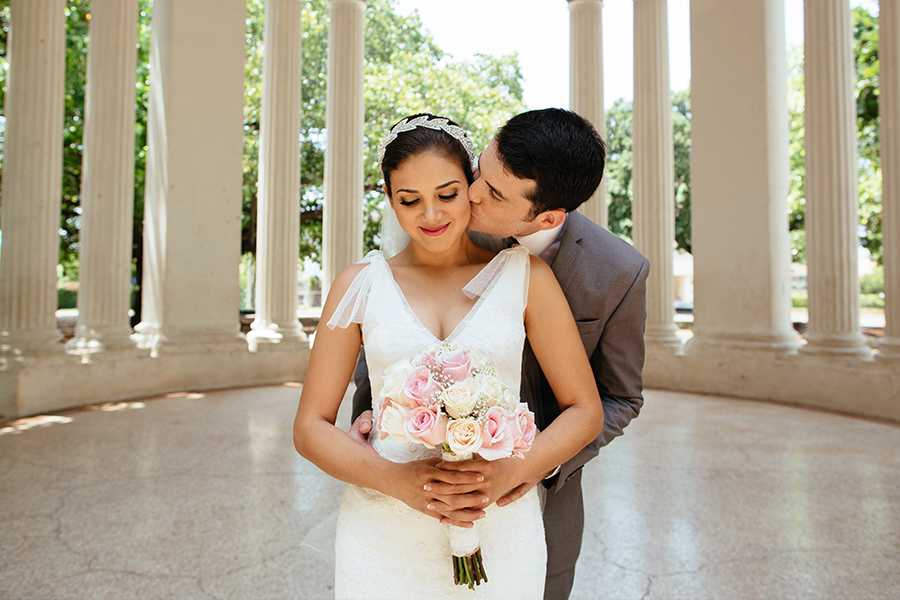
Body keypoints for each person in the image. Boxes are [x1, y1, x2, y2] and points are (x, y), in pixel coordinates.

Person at [293, 113, 606, 599]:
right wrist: (396, 481)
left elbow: (586, 410)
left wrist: (512, 471)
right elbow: (310, 426)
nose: (431, 215)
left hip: (499, 522)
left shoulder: (527, 276)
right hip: (383, 528)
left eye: (448, 194)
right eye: (409, 200)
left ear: (472, 186)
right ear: (388, 198)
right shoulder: (358, 285)